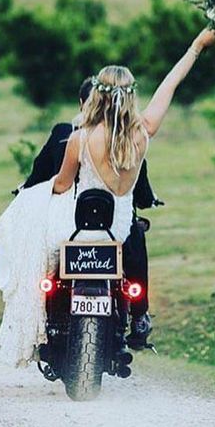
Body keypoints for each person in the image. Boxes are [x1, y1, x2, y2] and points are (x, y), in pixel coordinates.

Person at [0, 27, 215, 367]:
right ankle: (137, 318)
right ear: (132, 96)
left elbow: (61, 185)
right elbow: (171, 84)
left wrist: (34, 195)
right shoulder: (143, 132)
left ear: (97, 97)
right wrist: (197, 46)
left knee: (31, 227)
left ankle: (3, 278)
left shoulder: (80, 138)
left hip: (74, 228)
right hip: (117, 231)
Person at [19, 76, 161, 349]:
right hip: (113, 225)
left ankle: (38, 315)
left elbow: (44, 176)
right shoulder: (127, 138)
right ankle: (139, 314)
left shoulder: (66, 134)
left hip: (70, 224)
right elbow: (139, 182)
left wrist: (30, 192)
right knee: (135, 238)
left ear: (85, 102)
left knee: (41, 261)